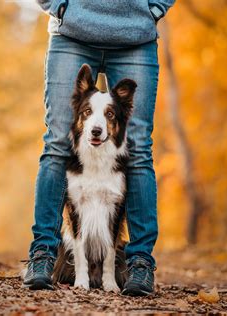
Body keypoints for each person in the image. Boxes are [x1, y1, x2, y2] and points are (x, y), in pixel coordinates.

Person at [23, 0, 175, 296]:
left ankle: (140, 263)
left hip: (136, 35)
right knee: (56, 143)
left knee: (139, 148)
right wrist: (58, 6)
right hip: (72, 33)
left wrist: (153, 8)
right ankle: (42, 254)